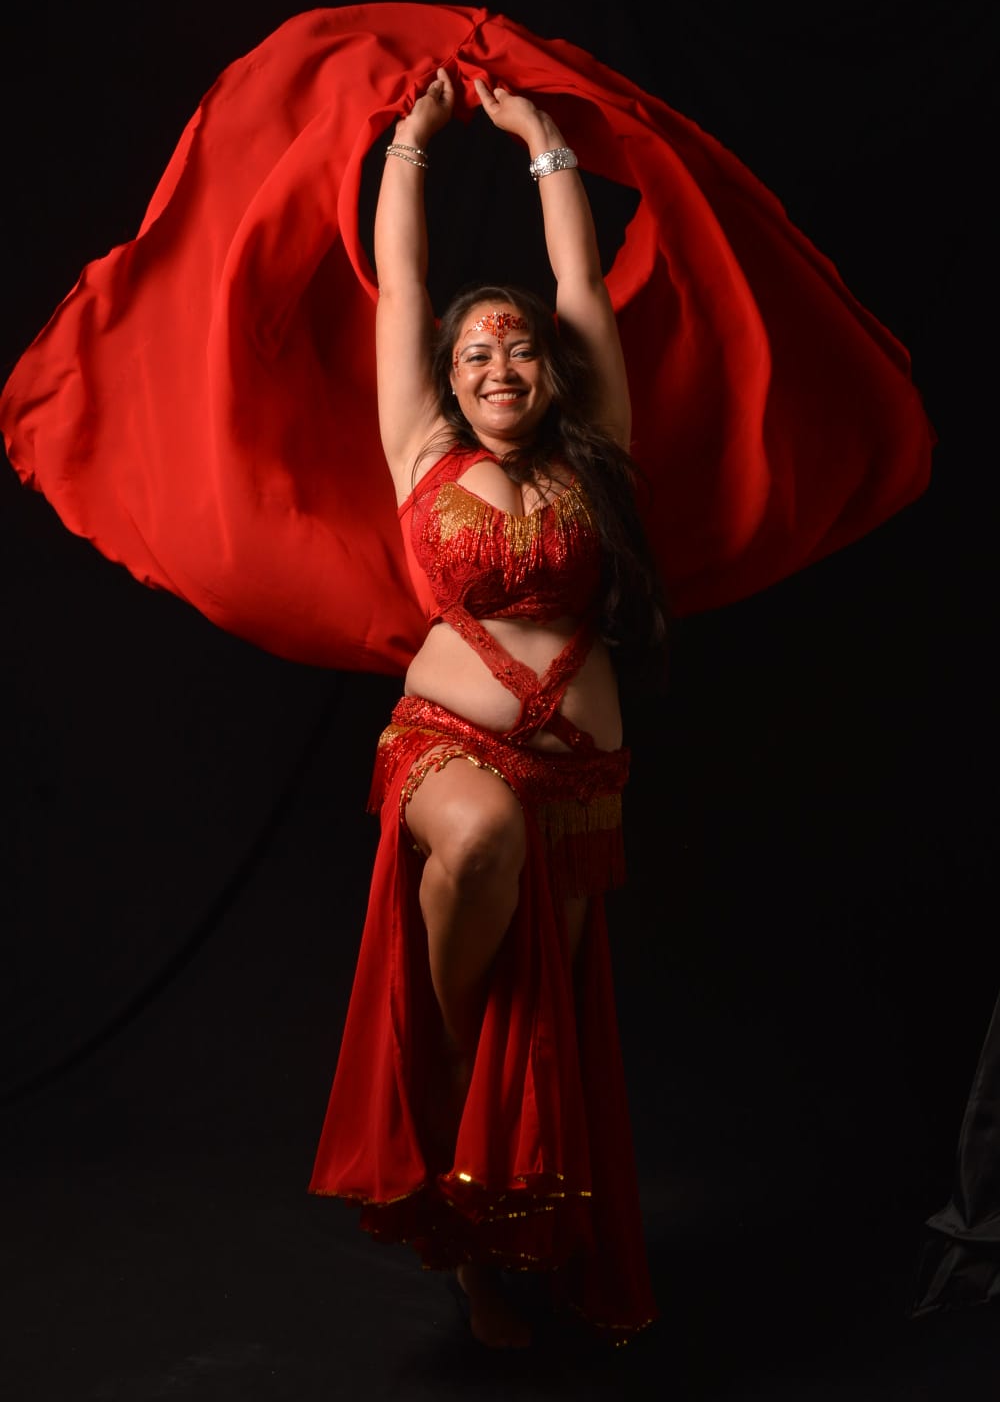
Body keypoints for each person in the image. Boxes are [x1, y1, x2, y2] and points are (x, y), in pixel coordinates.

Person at [307, 68, 669, 1348]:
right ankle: (447, 1066)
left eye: (517, 347)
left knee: (543, 1032)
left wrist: (548, 144)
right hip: (449, 744)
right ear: (449, 381)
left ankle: (495, 1264)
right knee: (477, 843)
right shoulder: (420, 449)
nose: (499, 362)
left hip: (579, 775)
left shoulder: (596, 452)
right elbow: (401, 285)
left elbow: (583, 290)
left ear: (547, 371)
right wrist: (410, 146)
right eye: (475, 353)